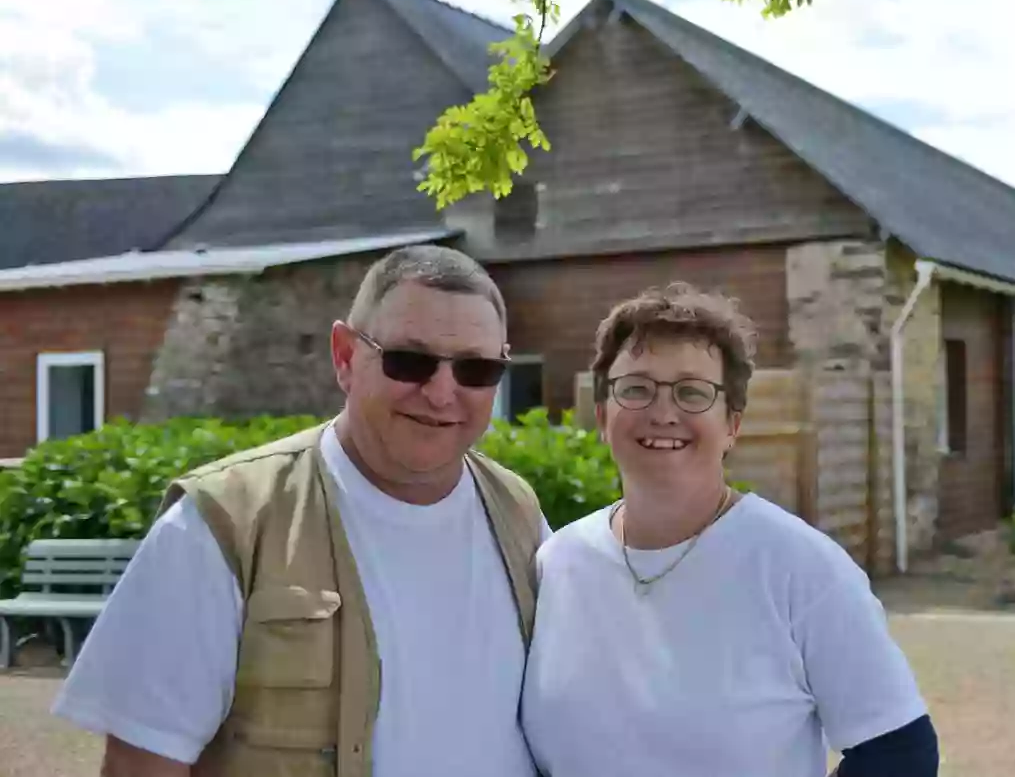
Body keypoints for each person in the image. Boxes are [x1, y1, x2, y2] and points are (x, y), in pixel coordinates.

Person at [53, 244, 551, 777]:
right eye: (410, 360)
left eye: (476, 369)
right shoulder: (224, 523)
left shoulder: (518, 511)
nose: (441, 392)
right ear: (344, 357)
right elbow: (140, 767)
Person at [521, 282, 939, 777]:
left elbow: (899, 752)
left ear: (732, 425)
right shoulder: (560, 560)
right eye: (635, 388)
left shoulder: (799, 568)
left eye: (692, 392)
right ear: (602, 414)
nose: (662, 412)